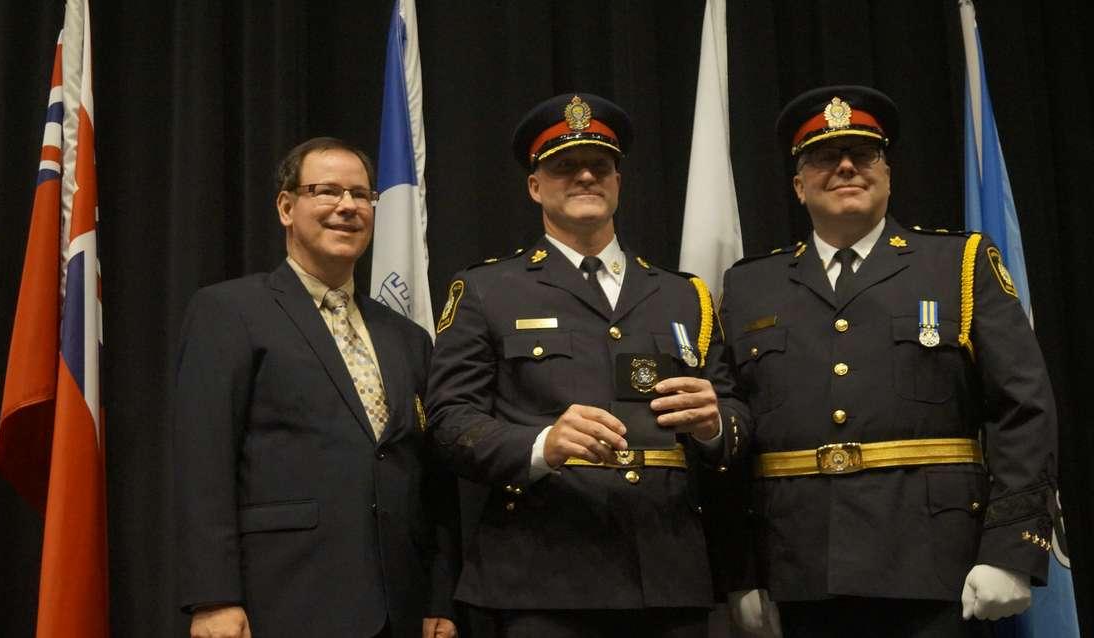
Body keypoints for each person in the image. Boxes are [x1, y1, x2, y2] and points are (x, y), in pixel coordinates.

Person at [721, 85, 1058, 637]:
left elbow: (1024, 411)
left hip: (933, 566)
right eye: (825, 157)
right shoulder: (749, 285)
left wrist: (1011, 550)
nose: (848, 166)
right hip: (798, 571)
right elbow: (735, 436)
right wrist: (743, 572)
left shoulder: (960, 263)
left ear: (888, 172)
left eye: (865, 154)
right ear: (798, 184)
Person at [425, 93, 751, 637]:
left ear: (618, 182)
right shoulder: (486, 290)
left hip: (667, 576)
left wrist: (716, 425)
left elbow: (736, 410)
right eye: (563, 167)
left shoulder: (682, 294)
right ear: (535, 186)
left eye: (599, 166)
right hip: (543, 575)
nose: (584, 177)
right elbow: (449, 422)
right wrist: (541, 445)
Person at [173, 137, 459, 638]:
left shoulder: (408, 338)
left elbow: (431, 478)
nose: (347, 207)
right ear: (286, 206)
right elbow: (204, 464)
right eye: (326, 191)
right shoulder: (230, 312)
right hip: (282, 600)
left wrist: (439, 598)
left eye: (361, 195)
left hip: (400, 606)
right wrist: (213, 597)